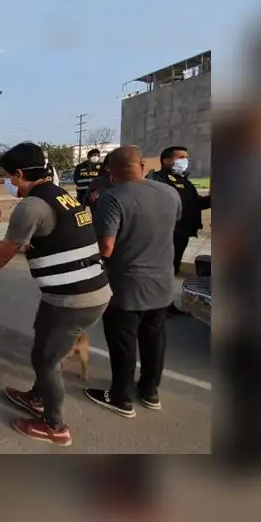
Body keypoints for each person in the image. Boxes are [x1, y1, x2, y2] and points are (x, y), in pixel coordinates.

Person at [0, 142, 111, 447]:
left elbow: (4, 253)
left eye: (8, 176)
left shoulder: (31, 206)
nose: (8, 182)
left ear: (19, 174)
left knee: (47, 359)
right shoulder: (61, 195)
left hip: (74, 298)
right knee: (43, 343)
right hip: (79, 291)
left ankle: (55, 425)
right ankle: (37, 396)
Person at [84, 146, 180, 418]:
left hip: (126, 286)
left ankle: (120, 397)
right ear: (142, 165)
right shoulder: (169, 193)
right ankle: (150, 392)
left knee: (123, 341)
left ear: (110, 171)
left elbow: (106, 247)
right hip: (161, 283)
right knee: (154, 338)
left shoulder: (112, 198)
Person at [147, 146, 211, 279]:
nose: (185, 161)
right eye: (181, 157)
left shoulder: (185, 182)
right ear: (166, 161)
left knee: (174, 267)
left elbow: (196, 204)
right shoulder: (157, 180)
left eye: (186, 158)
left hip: (183, 232)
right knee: (159, 269)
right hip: (165, 233)